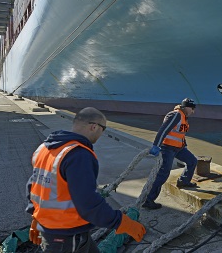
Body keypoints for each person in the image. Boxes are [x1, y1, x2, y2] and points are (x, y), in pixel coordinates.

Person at [26, 107, 145, 252]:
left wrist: (36, 216)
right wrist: (120, 222)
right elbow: (88, 203)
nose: (101, 134)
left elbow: (34, 186)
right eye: (103, 129)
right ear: (94, 127)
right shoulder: (79, 155)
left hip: (55, 229)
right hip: (66, 235)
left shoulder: (44, 148)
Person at [143, 98, 198, 210]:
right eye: (192, 109)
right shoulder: (176, 115)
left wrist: (184, 145)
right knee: (163, 174)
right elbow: (163, 130)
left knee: (192, 161)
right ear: (186, 107)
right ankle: (148, 200)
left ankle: (183, 181)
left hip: (178, 148)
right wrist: (156, 145)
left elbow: (180, 134)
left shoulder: (184, 117)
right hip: (167, 148)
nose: (193, 111)